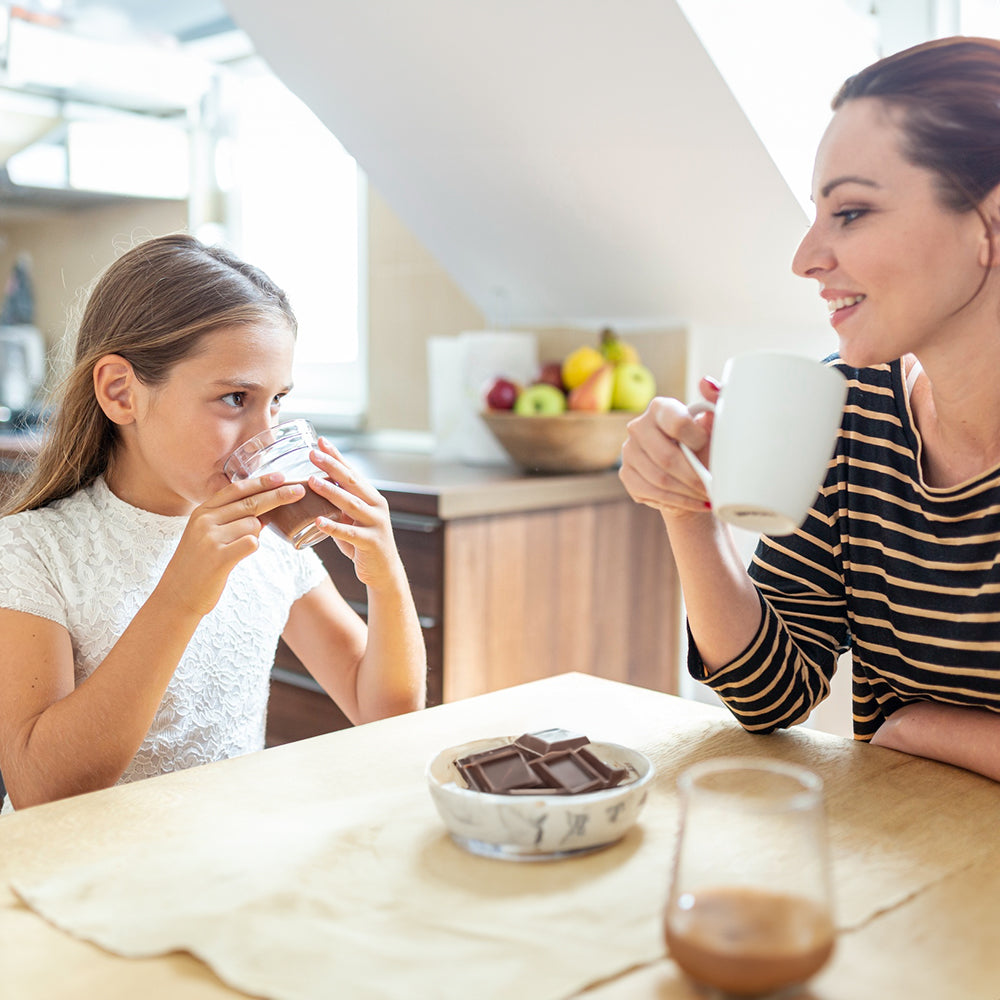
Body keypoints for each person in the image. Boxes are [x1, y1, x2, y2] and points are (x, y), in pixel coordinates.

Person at [619, 36, 1000, 783]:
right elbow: (772, 693)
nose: (806, 257)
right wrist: (688, 509)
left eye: (851, 212)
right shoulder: (853, 407)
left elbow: (903, 728)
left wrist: (929, 728)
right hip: (914, 870)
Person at [0, 233, 426, 812]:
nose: (264, 437)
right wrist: (180, 597)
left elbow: (385, 713)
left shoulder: (274, 543)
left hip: (224, 860)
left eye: (276, 401)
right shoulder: (34, 551)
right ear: (121, 392)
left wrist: (387, 577)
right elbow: (41, 789)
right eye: (234, 399)